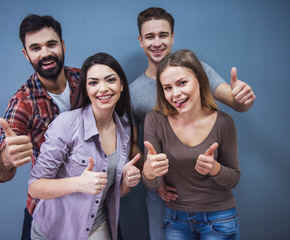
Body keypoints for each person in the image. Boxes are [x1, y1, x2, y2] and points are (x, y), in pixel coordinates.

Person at [129, 7, 255, 239]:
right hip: (165, 198)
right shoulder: (134, 92)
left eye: (163, 35)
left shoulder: (200, 70)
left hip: (211, 201)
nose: (157, 42)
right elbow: (135, 144)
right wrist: (154, 179)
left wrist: (243, 97)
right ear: (140, 40)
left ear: (172, 37)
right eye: (150, 36)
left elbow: (236, 103)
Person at [0, 15, 80, 240]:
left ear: (63, 45)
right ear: (26, 54)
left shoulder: (85, 80)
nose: (45, 53)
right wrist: (7, 158)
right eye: (35, 48)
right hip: (46, 208)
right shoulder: (23, 101)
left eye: (51, 44)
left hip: (90, 200)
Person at [28, 52, 141, 240]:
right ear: (86, 90)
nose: (102, 89)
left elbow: (114, 193)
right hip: (54, 229)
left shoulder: (125, 130)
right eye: (93, 82)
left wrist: (127, 183)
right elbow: (35, 187)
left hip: (96, 226)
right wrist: (78, 183)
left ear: (121, 85)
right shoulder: (67, 124)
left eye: (110, 80)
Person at [143, 49, 240, 239]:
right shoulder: (155, 120)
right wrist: (149, 172)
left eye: (182, 83)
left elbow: (234, 179)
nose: (175, 94)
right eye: (167, 87)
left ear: (199, 80)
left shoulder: (224, 122)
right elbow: (151, 183)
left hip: (219, 219)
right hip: (175, 220)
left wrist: (215, 168)